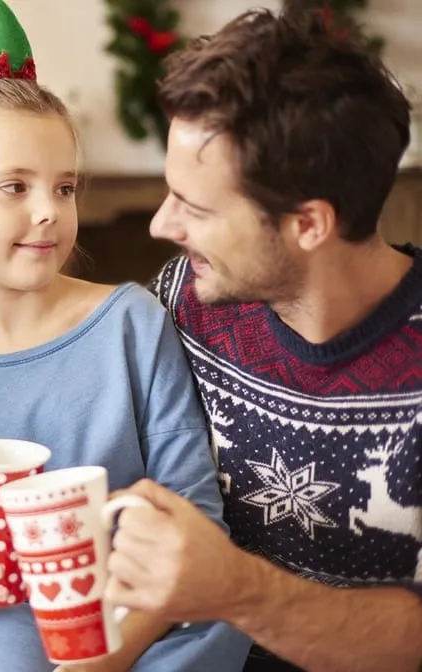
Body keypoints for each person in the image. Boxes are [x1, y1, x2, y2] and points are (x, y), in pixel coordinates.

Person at [0, 1, 253, 670]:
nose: (49, 211)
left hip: (150, 641)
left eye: (64, 187)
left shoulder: (130, 325)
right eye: (14, 186)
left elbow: (196, 523)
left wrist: (111, 655)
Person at [103, 6, 422, 672]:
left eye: (194, 206)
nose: (163, 224)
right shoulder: (185, 300)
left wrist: (235, 589)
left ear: (308, 224)